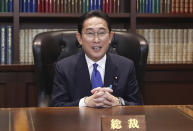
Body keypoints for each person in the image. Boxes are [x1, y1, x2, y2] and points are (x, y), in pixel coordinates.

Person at [51, 10, 142, 107]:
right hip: (80, 121)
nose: (96, 40)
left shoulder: (126, 66)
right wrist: (84, 102)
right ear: (79, 38)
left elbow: (138, 105)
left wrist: (119, 102)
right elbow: (56, 106)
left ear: (110, 37)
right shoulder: (64, 68)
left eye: (102, 33)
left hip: (112, 120)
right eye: (90, 33)